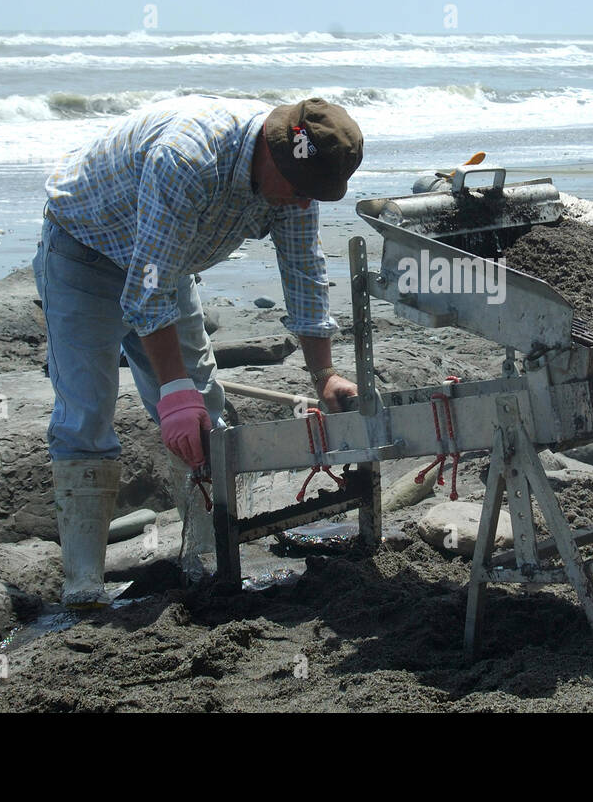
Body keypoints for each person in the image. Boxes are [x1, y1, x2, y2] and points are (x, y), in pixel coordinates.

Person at [33, 95, 363, 605]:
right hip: (86, 247)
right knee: (86, 409)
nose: (303, 203)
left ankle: (210, 563)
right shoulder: (186, 159)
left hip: (168, 259)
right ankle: (82, 586)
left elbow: (304, 272)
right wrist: (173, 392)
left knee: (208, 413)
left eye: (315, 194)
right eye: (300, 191)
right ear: (272, 155)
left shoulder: (298, 179)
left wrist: (324, 374)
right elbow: (147, 293)